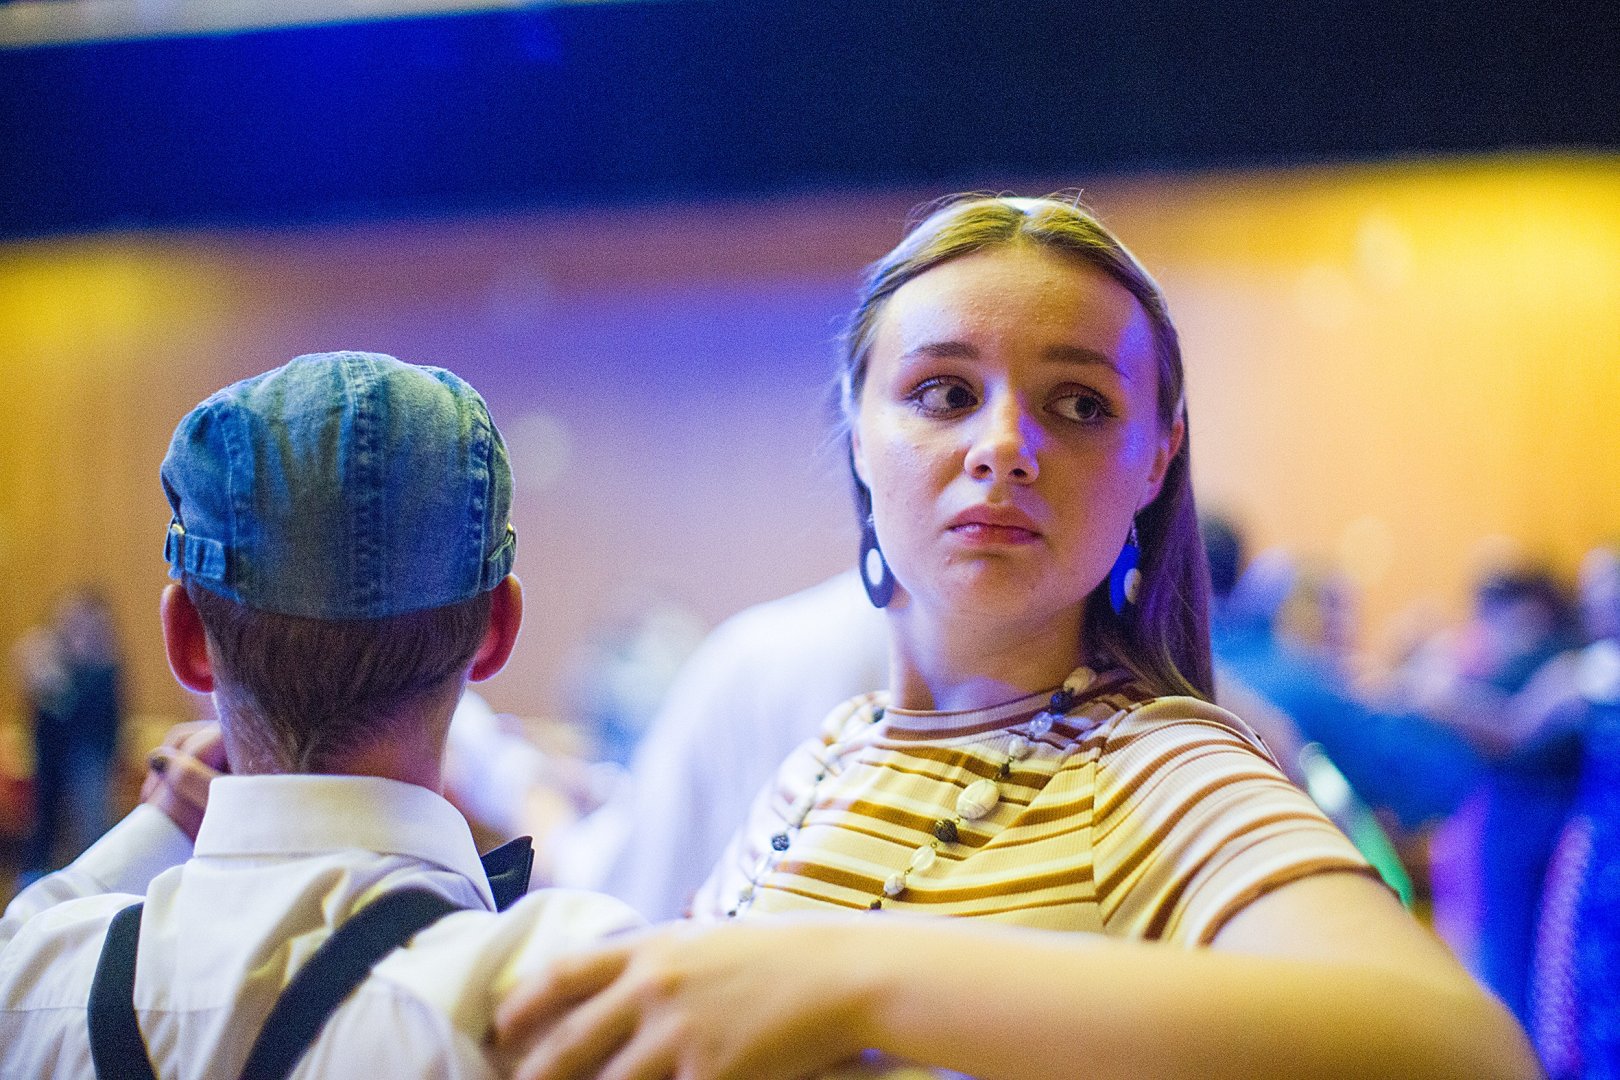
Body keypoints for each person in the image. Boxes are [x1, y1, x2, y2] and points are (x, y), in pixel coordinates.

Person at [493, 196, 1538, 1080]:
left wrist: (854, 976)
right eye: (944, 394)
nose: (1004, 447)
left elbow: (1462, 1050)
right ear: (857, 428)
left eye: (1078, 405)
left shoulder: (1151, 765)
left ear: (1156, 458)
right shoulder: (832, 750)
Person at [0, 352, 640, 1077]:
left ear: (184, 641)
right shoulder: (585, 997)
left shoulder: (37, 986)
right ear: (498, 630)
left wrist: (161, 829)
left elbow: (27, 933)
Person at [11, 588, 126, 880]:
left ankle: (96, 881)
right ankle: (34, 877)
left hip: (91, 760)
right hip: (53, 759)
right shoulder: (54, 658)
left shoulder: (103, 666)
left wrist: (56, 686)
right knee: (46, 823)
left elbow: (94, 715)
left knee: (92, 827)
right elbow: (44, 717)